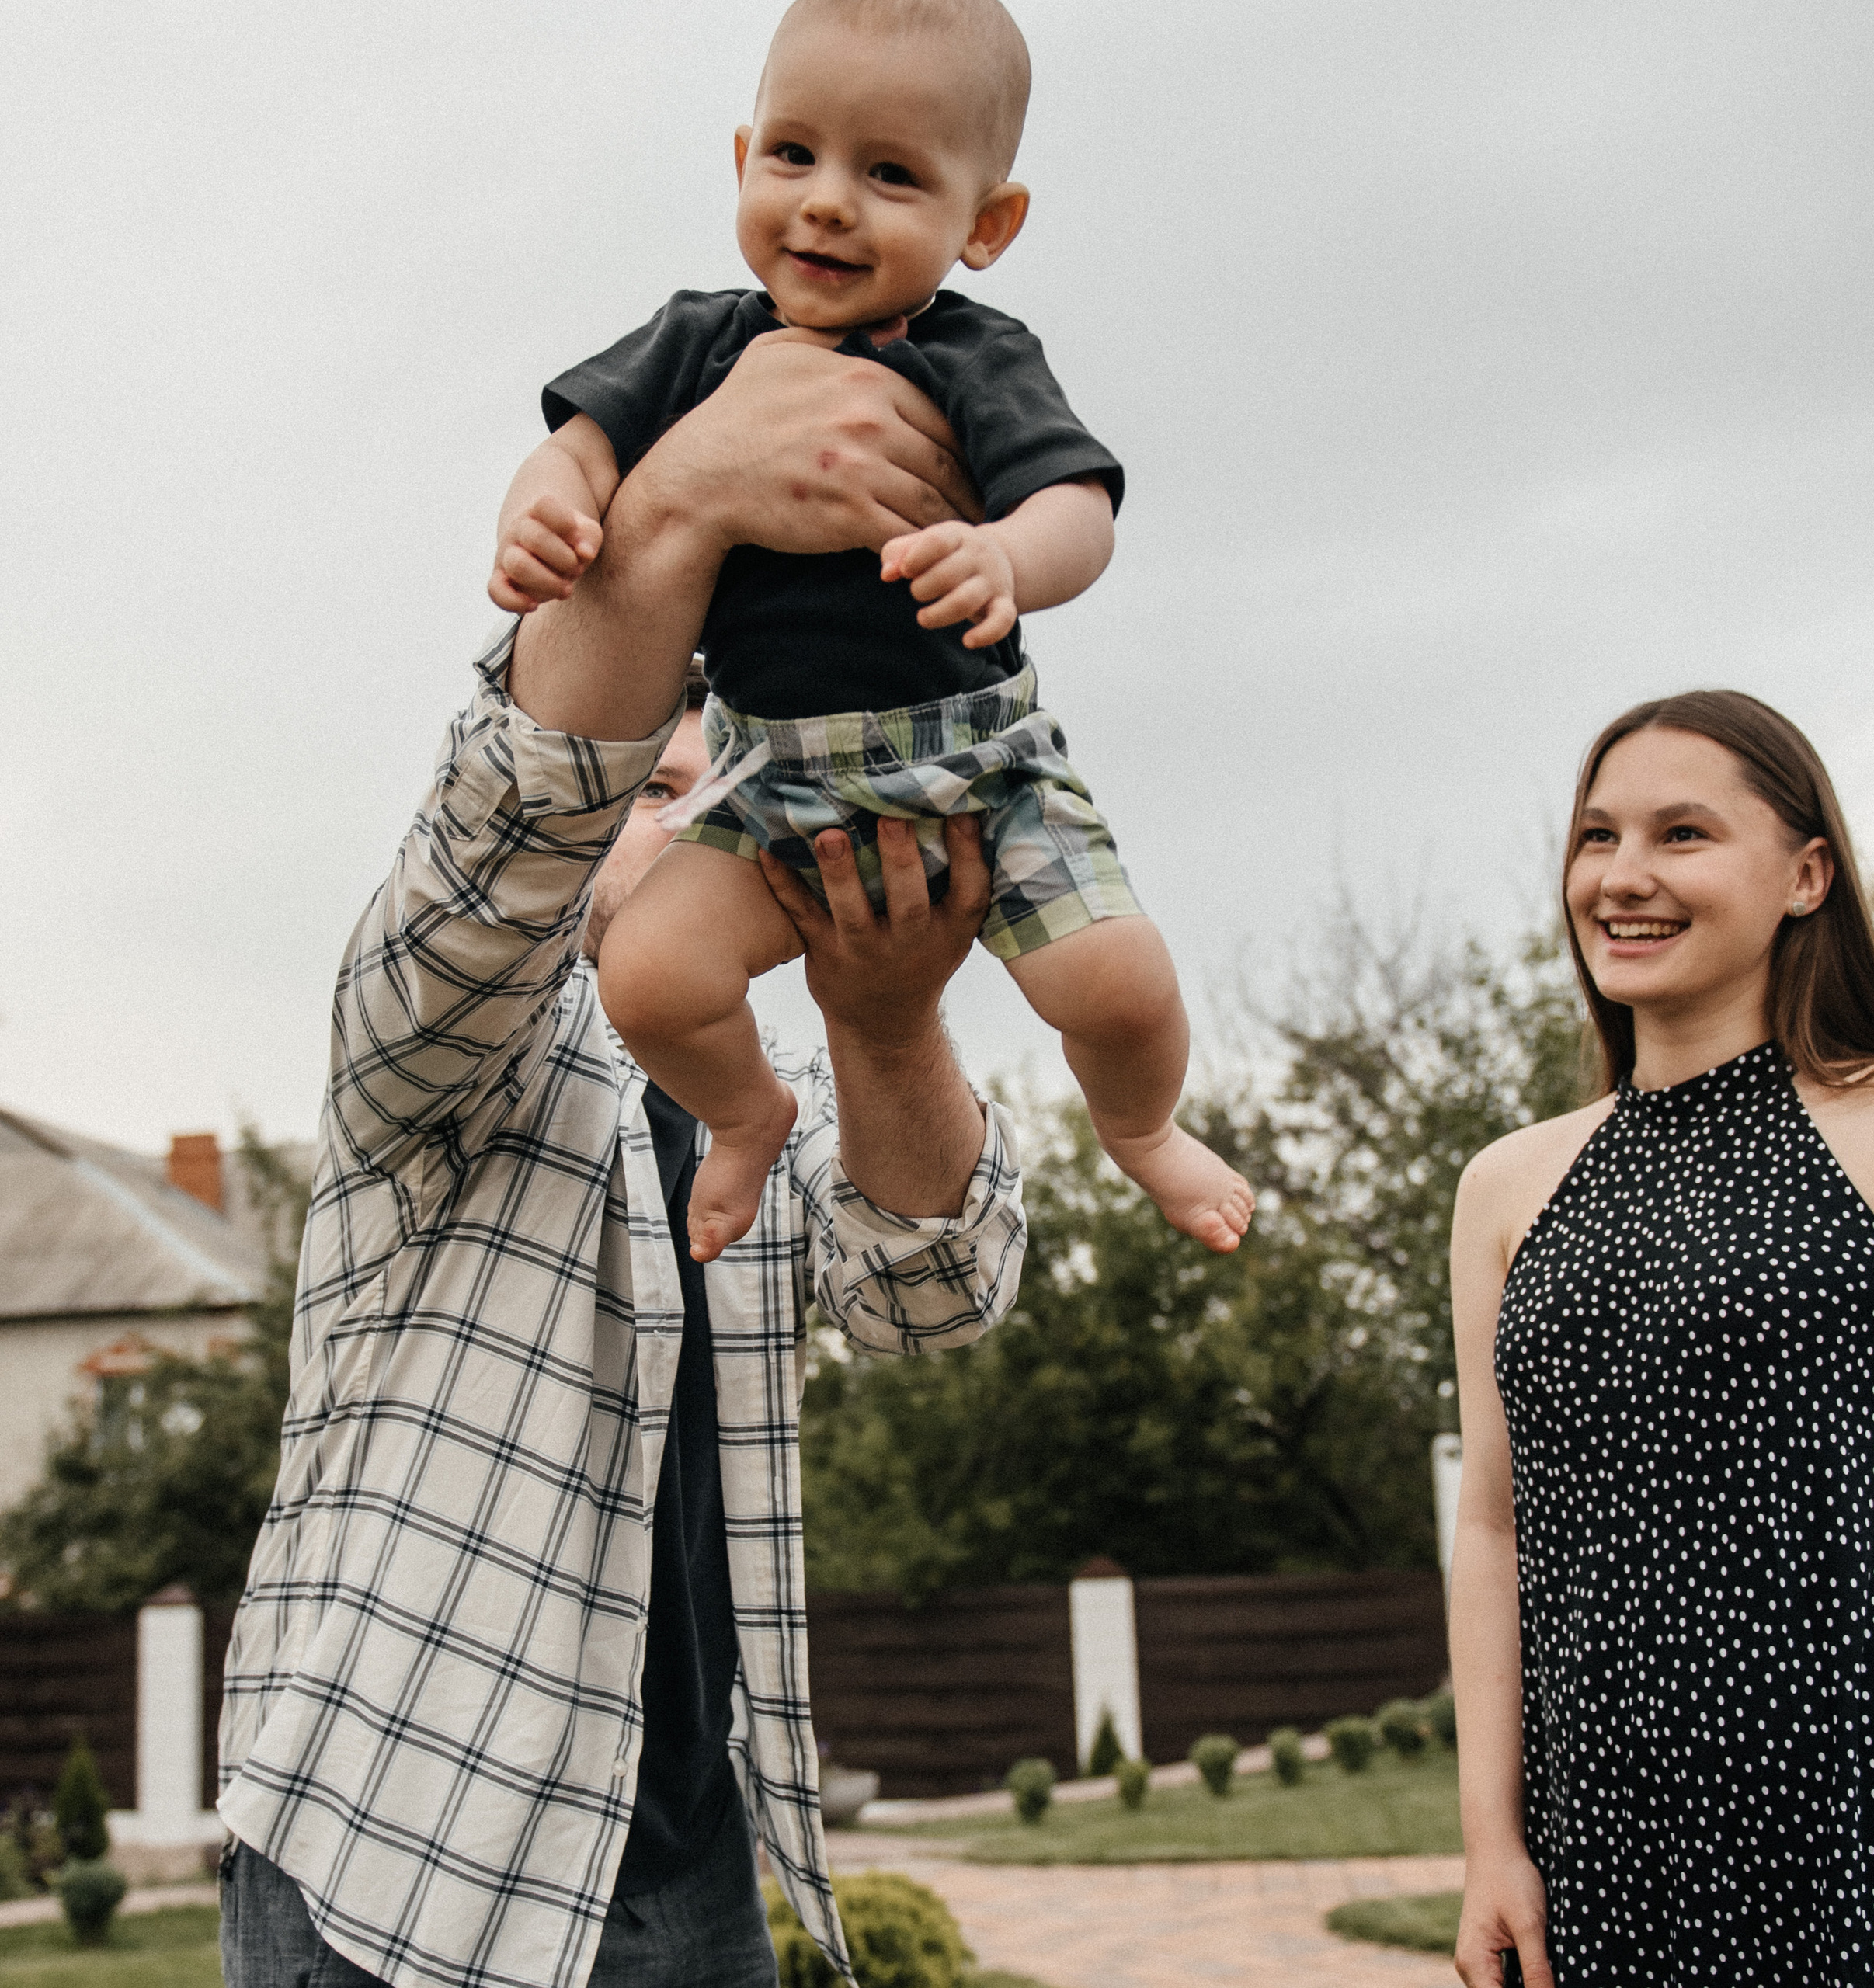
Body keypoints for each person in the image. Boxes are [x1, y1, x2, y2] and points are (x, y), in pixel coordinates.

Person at [217, 338, 1029, 1988]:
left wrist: (885, 1026)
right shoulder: (436, 1053)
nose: (666, 819)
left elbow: (934, 1295)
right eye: (644, 778)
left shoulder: (774, 1090)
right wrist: (673, 511)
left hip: (682, 1863)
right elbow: (504, 841)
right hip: (394, 1847)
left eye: (703, 792)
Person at [488, 0, 1254, 1266]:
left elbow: (1080, 509)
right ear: (743, 162)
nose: (829, 202)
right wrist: (545, 512)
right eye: (794, 155)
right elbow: (574, 447)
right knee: (649, 979)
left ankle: (1144, 1129)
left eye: (890, 173)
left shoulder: (974, 354)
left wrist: (1007, 555)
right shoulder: (697, 345)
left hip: (980, 772)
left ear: (986, 224)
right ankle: (745, 1119)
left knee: (1118, 985)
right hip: (768, 785)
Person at [1448, 690, 1874, 1987]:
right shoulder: (1508, 1185)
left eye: (1681, 835)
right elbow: (1493, 1524)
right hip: (1613, 1836)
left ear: (1808, 876)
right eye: (1596, 838)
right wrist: (1491, 1846)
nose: (1623, 878)